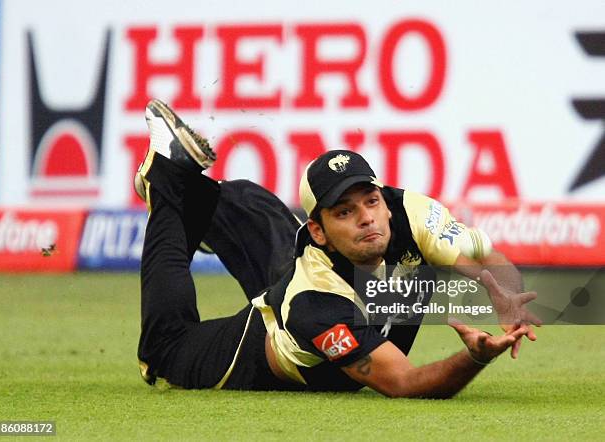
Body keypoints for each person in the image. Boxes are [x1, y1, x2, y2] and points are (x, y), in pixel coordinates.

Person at [135, 99, 541, 398]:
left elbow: (486, 258)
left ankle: (200, 211)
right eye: (344, 211)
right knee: (163, 351)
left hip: (314, 273)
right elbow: (402, 382)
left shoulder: (408, 213)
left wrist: (502, 291)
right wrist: (475, 358)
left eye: (370, 200)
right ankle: (166, 179)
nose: (366, 217)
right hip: (257, 344)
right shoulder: (317, 305)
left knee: (245, 198)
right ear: (318, 230)